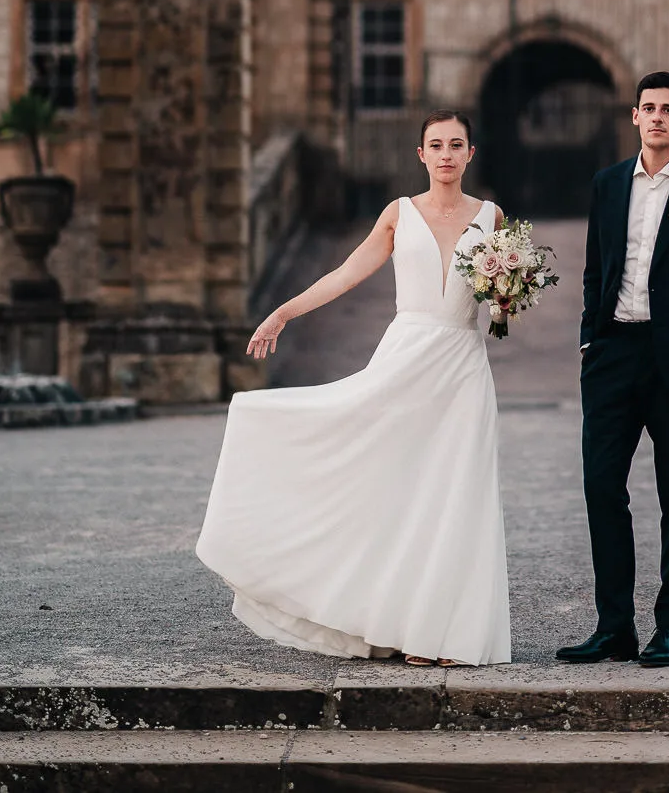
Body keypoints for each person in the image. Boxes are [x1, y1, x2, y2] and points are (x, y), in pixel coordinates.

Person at [196, 110, 510, 668]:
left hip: (462, 366)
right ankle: (391, 622)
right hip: (405, 361)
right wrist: (281, 314)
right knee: (392, 485)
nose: (445, 154)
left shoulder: (492, 217)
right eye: (435, 145)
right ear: (420, 154)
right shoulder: (399, 214)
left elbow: (500, 309)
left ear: (471, 153)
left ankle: (447, 635)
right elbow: (344, 274)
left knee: (454, 494)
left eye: (455, 145)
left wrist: (509, 301)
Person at [557, 71, 669, 668]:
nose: (658, 117)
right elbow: (595, 269)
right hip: (613, 357)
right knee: (601, 488)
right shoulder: (607, 185)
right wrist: (590, 342)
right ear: (634, 117)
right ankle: (614, 627)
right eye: (648, 108)